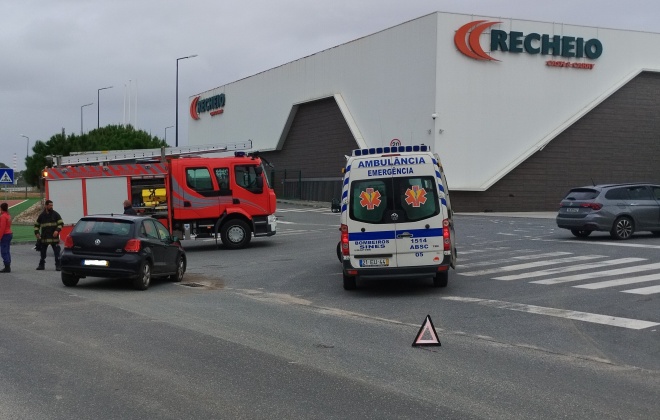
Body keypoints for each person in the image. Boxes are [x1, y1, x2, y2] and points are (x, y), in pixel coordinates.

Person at [34, 200, 64, 271]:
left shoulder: (56, 214)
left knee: (57, 252)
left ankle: (58, 265)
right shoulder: (42, 215)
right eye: (50, 205)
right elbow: (36, 225)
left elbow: (61, 224)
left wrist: (57, 230)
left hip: (54, 238)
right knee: (43, 253)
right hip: (44, 237)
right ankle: (41, 265)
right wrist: (36, 232)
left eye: (52, 205)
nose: (51, 207)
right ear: (46, 206)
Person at [0, 203, 12, 273]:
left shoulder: (3, 216)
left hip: (5, 234)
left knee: (4, 251)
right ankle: (8, 264)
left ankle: (7, 266)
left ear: (1, 208)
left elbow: (2, 228)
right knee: (7, 250)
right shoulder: (8, 215)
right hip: (9, 233)